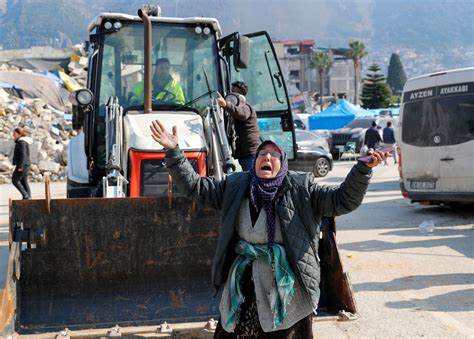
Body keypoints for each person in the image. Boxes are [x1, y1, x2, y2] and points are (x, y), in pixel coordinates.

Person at [150, 119, 388, 338]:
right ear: (255, 162)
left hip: (288, 291)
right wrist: (174, 153)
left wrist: (361, 171)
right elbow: (197, 188)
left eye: (275, 155)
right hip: (243, 285)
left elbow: (342, 200)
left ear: (282, 163)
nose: (268, 157)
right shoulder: (236, 186)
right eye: (263, 153)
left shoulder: (301, 188)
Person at [217, 81, 260, 171]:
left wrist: (225, 104)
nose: (231, 95)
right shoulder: (239, 108)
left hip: (250, 152)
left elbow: (242, 115)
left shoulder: (246, 107)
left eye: (234, 93)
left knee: (251, 178)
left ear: (241, 96)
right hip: (244, 153)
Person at [12, 127, 32, 199]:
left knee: (15, 180)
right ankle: (28, 197)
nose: (13, 135)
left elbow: (23, 155)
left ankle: (26, 195)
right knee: (23, 181)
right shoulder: (22, 141)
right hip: (26, 165)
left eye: (14, 134)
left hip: (23, 165)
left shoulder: (21, 142)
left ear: (19, 134)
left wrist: (20, 166)